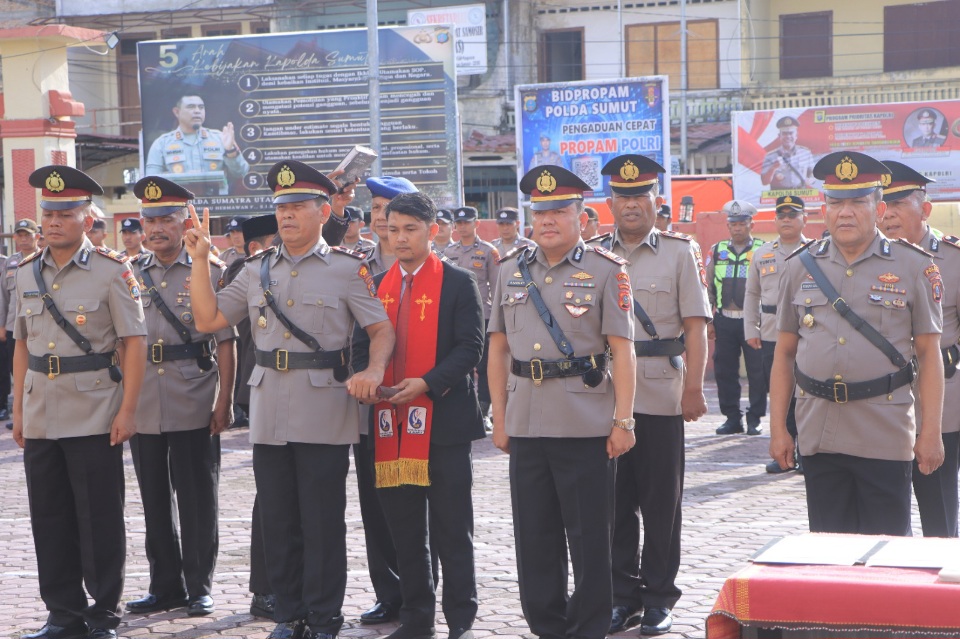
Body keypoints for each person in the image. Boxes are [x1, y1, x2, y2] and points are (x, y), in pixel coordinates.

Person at [183, 159, 395, 639]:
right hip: (269, 404)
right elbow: (209, 319)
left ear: (324, 211)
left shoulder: (346, 269)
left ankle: (323, 617)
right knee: (278, 518)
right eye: (281, 207)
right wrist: (199, 260)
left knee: (322, 520)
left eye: (298, 206)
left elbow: (381, 328)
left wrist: (374, 370)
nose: (287, 215)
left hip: (325, 405)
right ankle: (289, 614)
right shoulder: (256, 269)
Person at [488, 164, 637, 639]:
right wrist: (499, 415)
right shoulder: (511, 269)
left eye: (559, 211)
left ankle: (589, 628)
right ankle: (547, 626)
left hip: (585, 423)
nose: (547, 220)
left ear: (582, 216)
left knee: (590, 538)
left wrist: (624, 420)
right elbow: (497, 349)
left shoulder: (605, 270)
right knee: (534, 537)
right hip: (526, 421)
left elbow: (622, 349)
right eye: (540, 211)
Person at [769, 151, 945, 536]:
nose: (845, 212)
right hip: (818, 430)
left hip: (885, 429)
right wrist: (779, 429)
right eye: (836, 202)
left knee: (886, 554)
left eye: (857, 202)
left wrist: (930, 432)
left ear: (878, 207)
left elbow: (930, 356)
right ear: (824, 208)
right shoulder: (800, 266)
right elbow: (784, 353)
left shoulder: (914, 266)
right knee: (829, 551)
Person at [13, 165, 147, 639]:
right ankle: (62, 614)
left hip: (95, 410)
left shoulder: (114, 271)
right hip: (42, 409)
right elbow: (23, 343)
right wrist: (19, 406)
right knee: (49, 516)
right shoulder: (26, 271)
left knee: (99, 518)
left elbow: (134, 342)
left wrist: (129, 409)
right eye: (48, 213)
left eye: (64, 213)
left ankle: (103, 613)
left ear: (86, 220)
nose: (52, 222)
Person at [353, 191, 485, 639]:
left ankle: (461, 619)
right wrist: (365, 379)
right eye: (393, 229)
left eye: (411, 229)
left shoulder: (457, 281)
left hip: (444, 423)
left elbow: (471, 347)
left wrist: (427, 382)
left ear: (432, 231)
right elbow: (360, 345)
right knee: (405, 531)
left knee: (452, 529)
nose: (401, 238)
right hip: (389, 424)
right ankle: (416, 618)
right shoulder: (375, 285)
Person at [598, 156, 710, 637]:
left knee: (663, 504)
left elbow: (695, 327)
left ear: (655, 202)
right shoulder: (595, 253)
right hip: (606, 400)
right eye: (622, 197)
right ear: (609, 204)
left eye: (639, 196)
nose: (630, 205)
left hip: (662, 394)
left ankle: (660, 595)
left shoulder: (680, 252)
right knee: (615, 505)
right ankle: (623, 597)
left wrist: (694, 387)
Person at [123, 176, 236, 618]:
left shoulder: (208, 269)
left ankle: (199, 586)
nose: (156, 229)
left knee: (196, 496)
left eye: (166, 219)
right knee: (153, 497)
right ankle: (163, 585)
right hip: (144, 396)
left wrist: (225, 400)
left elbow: (226, 341)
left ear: (184, 221)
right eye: (150, 220)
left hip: (194, 391)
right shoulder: (127, 271)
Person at [879, 160, 960, 537]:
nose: (888, 215)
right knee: (885, 513)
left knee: (939, 507)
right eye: (882, 205)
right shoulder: (870, 259)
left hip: (941, 401)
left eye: (898, 205)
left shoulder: (954, 259)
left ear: (924, 209)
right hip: (883, 401)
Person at [356, 174, 420, 627]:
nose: (382, 216)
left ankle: (422, 589)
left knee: (420, 506)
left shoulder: (431, 264)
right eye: (376, 208)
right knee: (374, 500)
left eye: (390, 207)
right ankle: (388, 591)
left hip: (419, 404)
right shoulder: (356, 265)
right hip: (372, 403)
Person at [744, 195, 809, 474]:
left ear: (804, 218)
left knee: (806, 395)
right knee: (780, 394)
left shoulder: (815, 252)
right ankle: (784, 451)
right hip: (771, 332)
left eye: (792, 215)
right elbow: (752, 293)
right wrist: (750, 328)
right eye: (781, 215)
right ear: (775, 220)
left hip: (808, 333)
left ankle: (805, 452)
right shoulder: (762, 253)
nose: (786, 220)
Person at [708, 201, 767, 435]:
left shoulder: (763, 249)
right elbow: (708, 286)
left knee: (758, 371)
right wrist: (709, 320)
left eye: (742, 223)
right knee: (725, 371)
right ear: (728, 226)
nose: (738, 228)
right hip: (724, 320)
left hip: (752, 321)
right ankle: (732, 418)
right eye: (734, 224)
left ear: (751, 224)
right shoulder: (717, 250)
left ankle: (755, 418)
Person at [444, 207, 500, 424]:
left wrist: (497, 318)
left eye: (467, 222)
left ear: (476, 224)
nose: (462, 226)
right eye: (459, 223)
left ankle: (483, 410)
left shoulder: (488, 251)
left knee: (484, 364)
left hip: (483, 314)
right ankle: (463, 406)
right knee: (458, 360)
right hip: (455, 314)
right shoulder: (448, 252)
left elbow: (496, 287)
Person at [145, 94, 250, 181]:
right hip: (180, 205)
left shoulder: (220, 138)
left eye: (201, 107)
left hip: (214, 203)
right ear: (177, 112)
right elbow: (151, 181)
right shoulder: (162, 144)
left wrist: (230, 151)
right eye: (191, 107)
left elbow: (241, 174)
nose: (197, 111)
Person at [0, 220, 38, 422]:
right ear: (15, 238)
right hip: (13, 327)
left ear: (36, 237)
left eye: (28, 235)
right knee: (18, 372)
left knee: (38, 371)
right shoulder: (10, 263)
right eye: (20, 235)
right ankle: (20, 414)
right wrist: (2, 326)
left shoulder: (44, 259)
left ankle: (36, 412)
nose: (23, 239)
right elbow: (3, 297)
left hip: (37, 327)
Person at [365, 176, 420, 274]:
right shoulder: (358, 262)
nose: (381, 216)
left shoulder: (436, 264)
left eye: (389, 209)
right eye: (376, 207)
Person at [760, 116, 815, 191]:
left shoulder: (805, 153)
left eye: (791, 133)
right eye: (785, 133)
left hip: (801, 193)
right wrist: (773, 168)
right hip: (778, 194)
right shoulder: (771, 156)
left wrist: (811, 179)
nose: (788, 136)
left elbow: (813, 173)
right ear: (779, 136)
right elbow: (764, 182)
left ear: (796, 135)